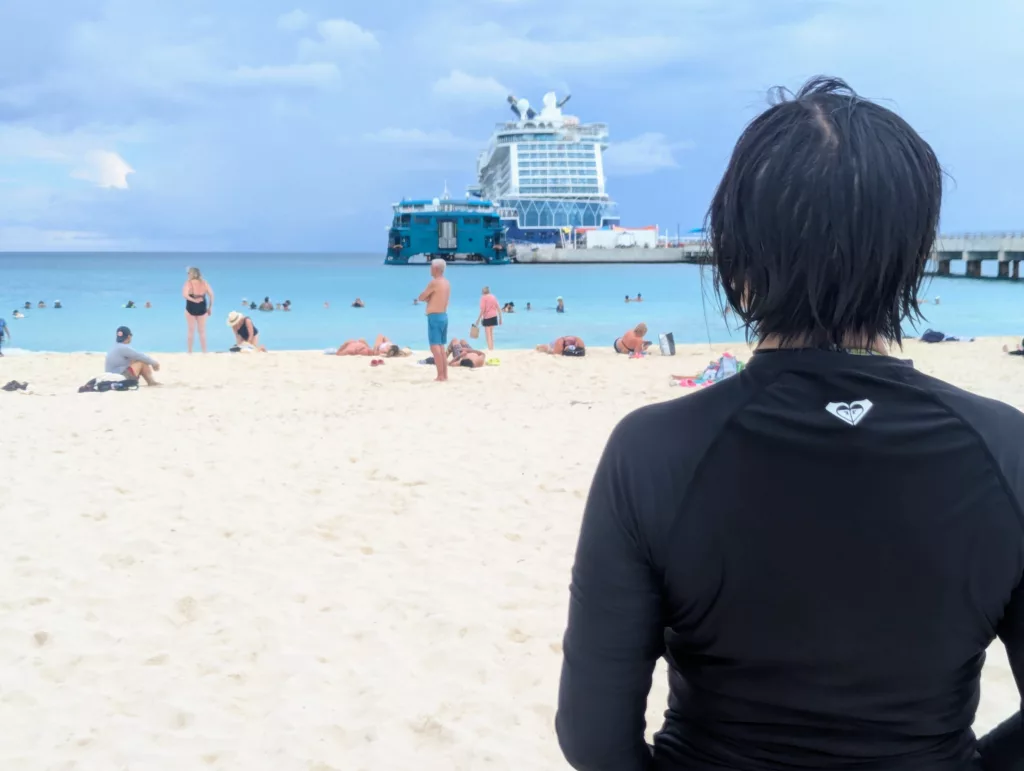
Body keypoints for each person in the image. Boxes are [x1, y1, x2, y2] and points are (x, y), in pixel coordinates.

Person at [556, 76, 1024, 771]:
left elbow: (593, 739)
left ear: (738, 260)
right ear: (911, 259)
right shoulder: (1006, 449)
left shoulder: (652, 451)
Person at [417, 258, 451, 382]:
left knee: (435, 347)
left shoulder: (434, 282)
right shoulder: (446, 283)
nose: (430, 269)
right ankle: (444, 374)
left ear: (436, 269)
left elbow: (421, 297)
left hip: (435, 317)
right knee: (441, 347)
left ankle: (440, 375)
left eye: (431, 267)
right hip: (443, 315)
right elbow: (439, 297)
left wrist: (427, 297)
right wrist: (429, 297)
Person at [182, 266, 214, 354]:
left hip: (191, 307)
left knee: (190, 330)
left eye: (188, 273)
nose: (187, 275)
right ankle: (204, 351)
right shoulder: (204, 283)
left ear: (192, 274)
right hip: (202, 306)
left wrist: (193, 300)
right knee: (202, 331)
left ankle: (189, 352)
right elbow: (211, 295)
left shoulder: (188, 283)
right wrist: (210, 307)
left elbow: (185, 295)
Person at [475, 286, 502, 351]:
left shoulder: (483, 298)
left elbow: (483, 309)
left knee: (488, 335)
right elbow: (498, 307)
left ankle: (490, 349)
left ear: (483, 292)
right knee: (491, 334)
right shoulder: (493, 297)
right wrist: (500, 318)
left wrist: (478, 319)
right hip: (494, 316)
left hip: (487, 317)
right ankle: (492, 348)